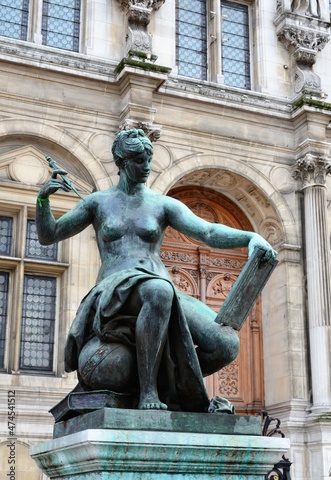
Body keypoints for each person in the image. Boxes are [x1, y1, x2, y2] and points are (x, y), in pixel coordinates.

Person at [36, 129, 277, 412]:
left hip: (157, 284)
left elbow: (208, 231)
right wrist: (43, 201)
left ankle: (169, 386)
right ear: (121, 161)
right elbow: (49, 234)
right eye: (138, 160)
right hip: (115, 288)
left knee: (225, 344)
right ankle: (148, 392)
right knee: (159, 291)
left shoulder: (162, 204)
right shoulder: (97, 203)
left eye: (149, 159)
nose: (146, 166)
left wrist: (250, 237)